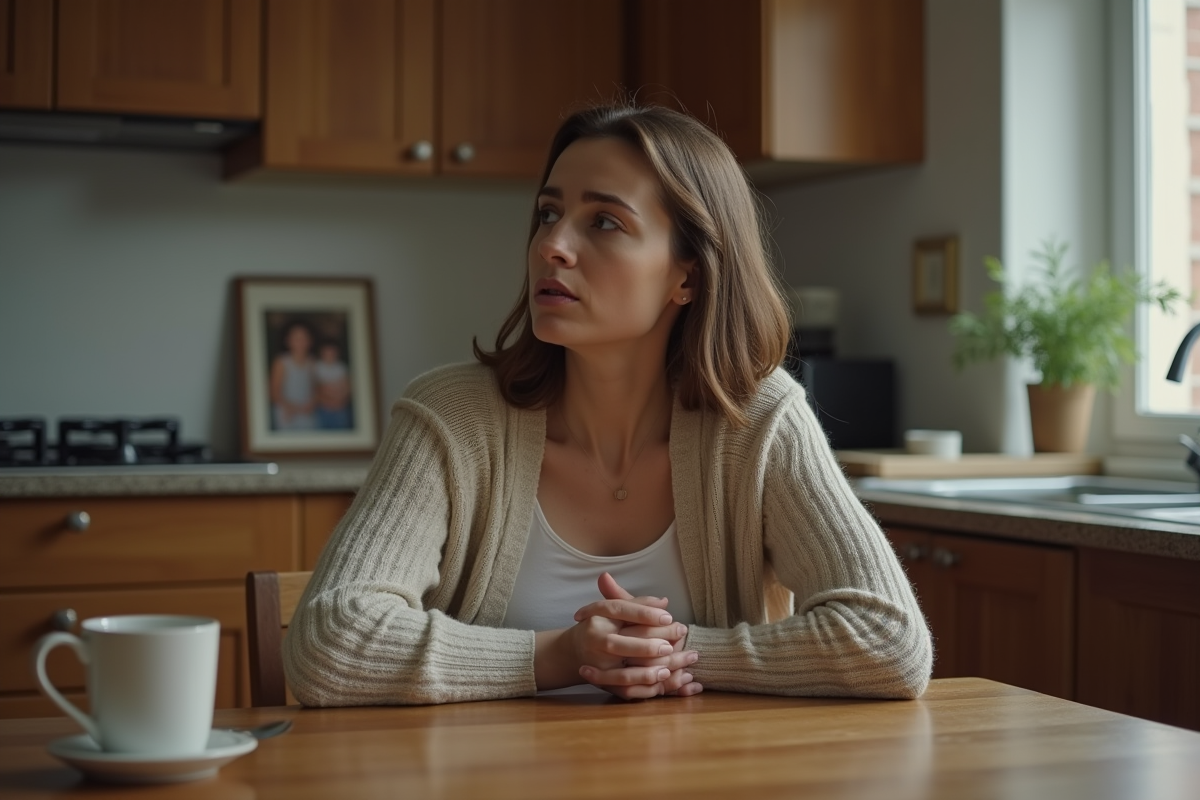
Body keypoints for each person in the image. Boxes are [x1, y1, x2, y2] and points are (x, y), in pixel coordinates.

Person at [283, 104, 932, 705]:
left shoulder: (758, 421)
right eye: (547, 213)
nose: (551, 245)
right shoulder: (450, 417)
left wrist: (674, 651)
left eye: (604, 222)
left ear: (688, 276)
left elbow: (888, 642)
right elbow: (327, 645)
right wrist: (560, 656)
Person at [269, 322, 316, 431]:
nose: (300, 342)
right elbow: (274, 392)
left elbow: (316, 388)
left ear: (310, 341)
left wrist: (312, 403)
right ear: (288, 341)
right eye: (296, 338)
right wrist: (292, 408)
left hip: (307, 413)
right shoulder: (281, 362)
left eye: (304, 338)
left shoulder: (312, 362)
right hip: (286, 413)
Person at [314, 340, 353, 430]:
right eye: (327, 353)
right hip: (323, 407)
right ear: (321, 353)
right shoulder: (317, 367)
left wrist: (339, 401)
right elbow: (316, 389)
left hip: (340, 407)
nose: (329, 355)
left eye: (332, 352)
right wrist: (327, 400)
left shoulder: (341, 368)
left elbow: (347, 388)